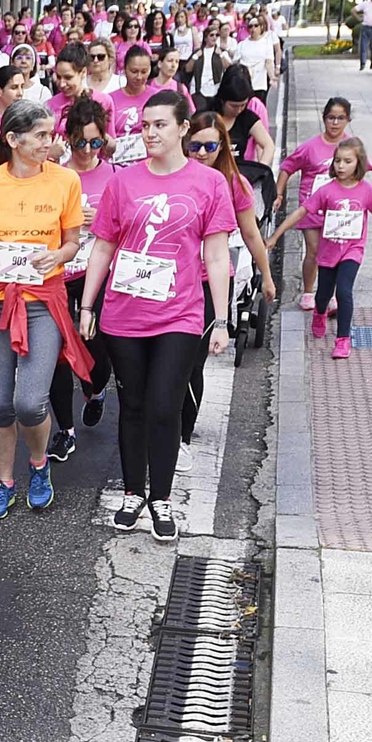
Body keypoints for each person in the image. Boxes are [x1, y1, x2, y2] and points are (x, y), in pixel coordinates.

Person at [78, 91, 235, 543]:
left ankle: (160, 499)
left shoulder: (208, 184)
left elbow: (217, 254)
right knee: (134, 405)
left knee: (165, 406)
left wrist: (221, 319)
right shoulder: (123, 182)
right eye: (145, 124)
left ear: (184, 128)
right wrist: (88, 307)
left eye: (160, 124)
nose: (149, 132)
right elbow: (103, 246)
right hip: (124, 314)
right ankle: (132, 491)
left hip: (180, 314)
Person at [0, 100, 92, 519]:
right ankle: (4, 482)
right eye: (41, 136)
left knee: (31, 402)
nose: (49, 142)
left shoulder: (65, 181)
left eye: (50, 134)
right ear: (13, 140)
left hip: (41, 303)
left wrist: (58, 256)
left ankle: (38, 466)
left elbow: (72, 240)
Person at [178, 111, 275, 469]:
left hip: (212, 281)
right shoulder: (172, 175)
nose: (201, 152)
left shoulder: (234, 183)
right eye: (195, 146)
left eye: (209, 146)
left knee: (191, 363)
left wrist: (265, 275)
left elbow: (252, 234)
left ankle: (182, 437)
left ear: (223, 146)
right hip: (171, 281)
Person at [268, 137, 372, 358]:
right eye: (337, 161)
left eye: (347, 161)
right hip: (328, 252)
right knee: (322, 295)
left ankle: (343, 339)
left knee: (344, 292)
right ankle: (319, 313)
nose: (341, 166)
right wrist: (276, 234)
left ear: (359, 164)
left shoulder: (366, 190)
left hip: (352, 250)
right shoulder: (326, 191)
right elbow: (301, 212)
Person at [46, 98, 116, 460]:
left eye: (95, 143)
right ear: (67, 140)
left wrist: (99, 218)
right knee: (56, 351)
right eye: (79, 143)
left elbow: (125, 228)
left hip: (97, 271)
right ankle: (65, 430)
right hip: (59, 271)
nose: (87, 151)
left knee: (95, 344)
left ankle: (97, 388)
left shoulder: (114, 175)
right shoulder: (53, 173)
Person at [276, 97, 360, 312]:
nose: (335, 123)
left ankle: (329, 294)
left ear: (348, 120)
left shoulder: (352, 147)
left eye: (341, 118)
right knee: (313, 251)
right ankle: (308, 291)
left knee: (334, 253)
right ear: (324, 118)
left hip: (339, 212)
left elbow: (362, 174)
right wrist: (278, 193)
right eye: (331, 117)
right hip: (312, 208)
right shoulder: (310, 147)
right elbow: (288, 166)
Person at [45, 42, 115, 140]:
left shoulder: (104, 101)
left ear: (83, 72)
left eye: (68, 77)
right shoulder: (49, 106)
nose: (62, 84)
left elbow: (111, 144)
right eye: (58, 77)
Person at [213, 66, 276, 165]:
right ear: (222, 100)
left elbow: (268, 145)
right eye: (234, 106)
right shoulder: (208, 116)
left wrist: (261, 169)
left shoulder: (248, 118)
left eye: (243, 105)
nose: (239, 110)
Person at [107, 45, 156, 165]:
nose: (139, 77)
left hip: (150, 164)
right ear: (124, 69)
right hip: (117, 164)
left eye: (144, 72)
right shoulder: (109, 99)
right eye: (134, 71)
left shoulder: (158, 98)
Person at [232, 15, 276, 101]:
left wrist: (272, 77)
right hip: (245, 83)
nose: (253, 28)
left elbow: (268, 62)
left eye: (256, 26)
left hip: (260, 83)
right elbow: (235, 63)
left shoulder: (266, 44)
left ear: (261, 27)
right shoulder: (242, 44)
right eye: (250, 26)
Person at [187, 23, 229, 111]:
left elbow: (228, 67)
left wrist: (221, 55)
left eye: (217, 35)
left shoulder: (221, 51)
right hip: (199, 89)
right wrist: (195, 58)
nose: (214, 37)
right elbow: (188, 69)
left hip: (215, 89)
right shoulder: (198, 52)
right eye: (212, 35)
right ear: (206, 38)